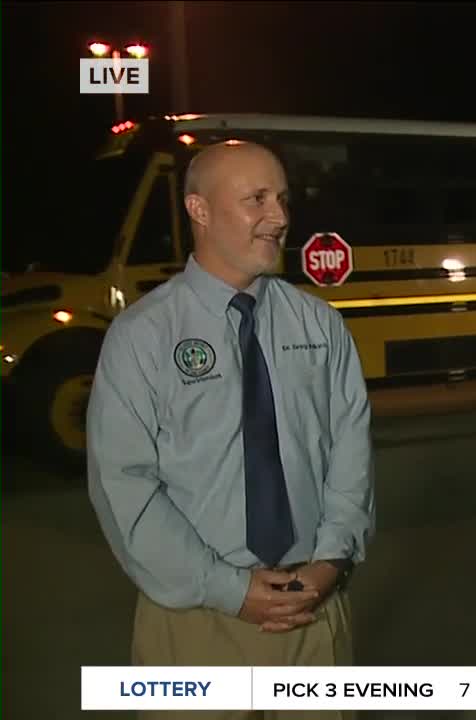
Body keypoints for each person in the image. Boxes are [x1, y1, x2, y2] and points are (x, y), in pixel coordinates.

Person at [87, 140, 375, 719]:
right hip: (196, 625)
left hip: (311, 617)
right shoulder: (143, 336)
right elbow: (124, 486)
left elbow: (350, 451)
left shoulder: (318, 324)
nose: (282, 217)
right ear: (199, 210)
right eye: (257, 200)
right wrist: (230, 590)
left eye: (284, 199)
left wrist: (328, 562)